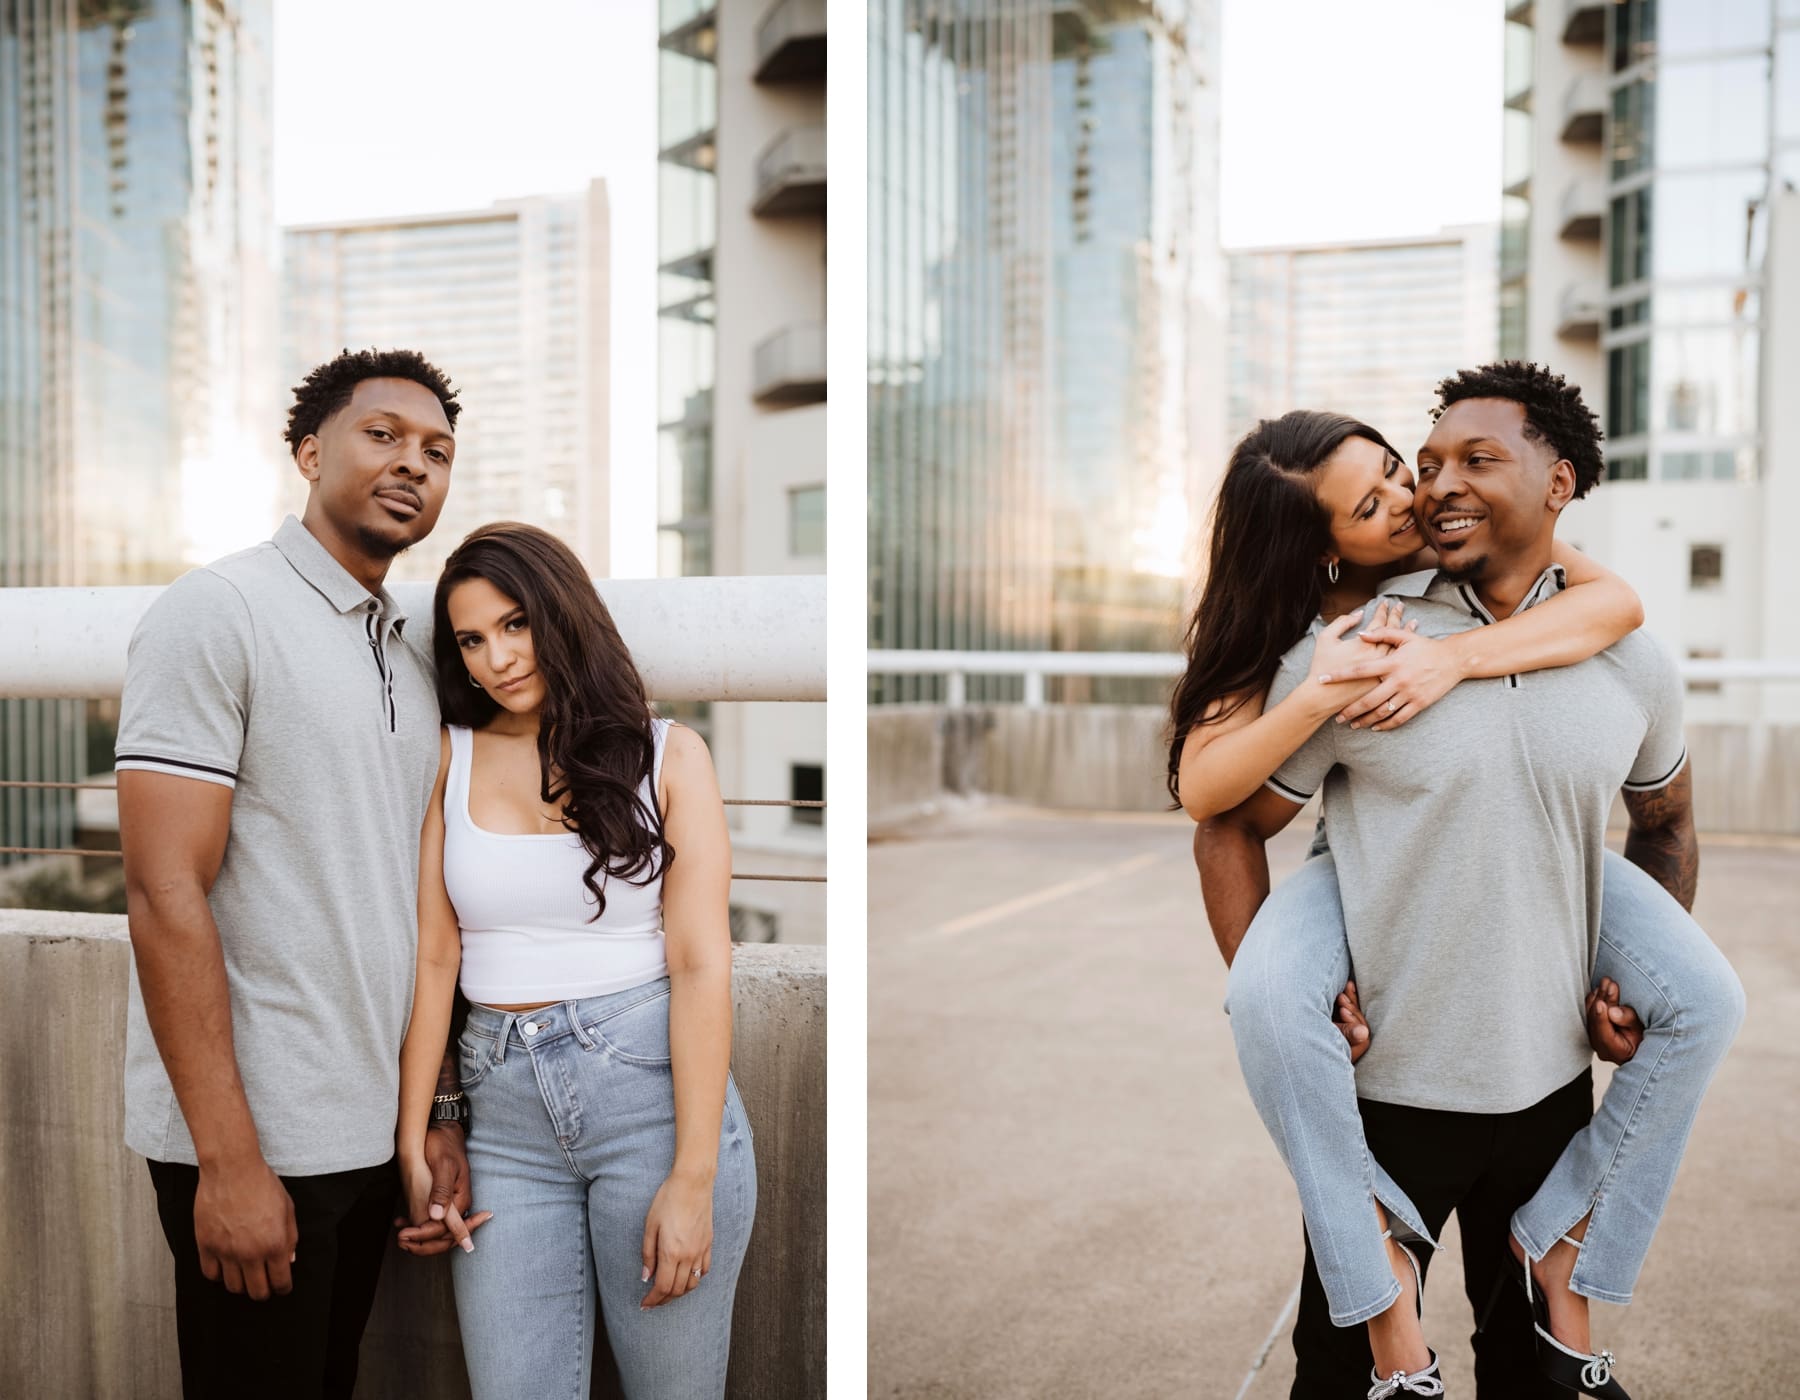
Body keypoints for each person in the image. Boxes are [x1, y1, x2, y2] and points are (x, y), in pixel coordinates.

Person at [1175, 365, 1743, 1399]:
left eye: (1466, 463)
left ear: (1559, 482)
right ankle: (1386, 1296)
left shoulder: (1622, 646)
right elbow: (1221, 813)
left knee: (1533, 1372)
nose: (1429, 489)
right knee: (1345, 1375)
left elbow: (1665, 820)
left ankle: (1567, 1233)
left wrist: (1620, 985)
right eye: (1419, 469)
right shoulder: (1356, 643)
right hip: (1390, 1092)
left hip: (1547, 1085)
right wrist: (1304, 1006)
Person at [117, 349, 485, 1399]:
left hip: (373, 1132)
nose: (413, 462)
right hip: (255, 1141)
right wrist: (229, 1160)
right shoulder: (217, 611)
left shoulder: (412, 644)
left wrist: (438, 1108)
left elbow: (419, 907)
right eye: (383, 435)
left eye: (438, 450)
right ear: (310, 451)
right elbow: (162, 892)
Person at [393, 522, 757, 1399]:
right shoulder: (451, 754)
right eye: (472, 640)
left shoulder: (670, 755)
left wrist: (693, 1178)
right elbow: (435, 958)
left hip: (651, 1110)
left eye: (515, 625)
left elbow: (704, 964)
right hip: (502, 1122)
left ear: (561, 615)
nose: (497, 660)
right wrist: (417, 1133)